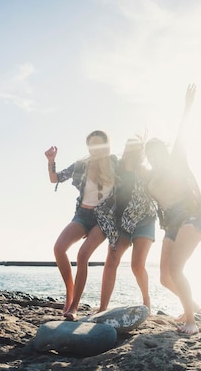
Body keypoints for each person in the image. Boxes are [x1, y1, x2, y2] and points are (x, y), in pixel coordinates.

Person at [144, 83, 201, 335]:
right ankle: (193, 305)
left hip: (191, 217)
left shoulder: (176, 160)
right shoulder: (151, 178)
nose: (154, 156)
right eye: (150, 154)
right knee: (164, 277)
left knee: (176, 270)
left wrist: (187, 107)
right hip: (171, 224)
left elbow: (182, 133)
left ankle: (191, 321)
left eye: (157, 151)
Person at [44, 130, 116, 321]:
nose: (95, 149)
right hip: (83, 215)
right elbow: (55, 178)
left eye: (99, 144)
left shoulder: (115, 164)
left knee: (82, 255)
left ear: (106, 145)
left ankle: (74, 307)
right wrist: (51, 161)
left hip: (103, 219)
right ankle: (70, 294)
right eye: (91, 145)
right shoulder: (81, 165)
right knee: (59, 248)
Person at [96, 137, 157, 313]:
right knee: (111, 261)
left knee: (137, 265)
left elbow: (159, 188)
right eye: (129, 147)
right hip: (121, 222)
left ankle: (146, 300)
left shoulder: (144, 172)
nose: (132, 151)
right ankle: (102, 307)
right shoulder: (116, 169)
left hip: (144, 219)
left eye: (137, 149)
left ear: (141, 153)